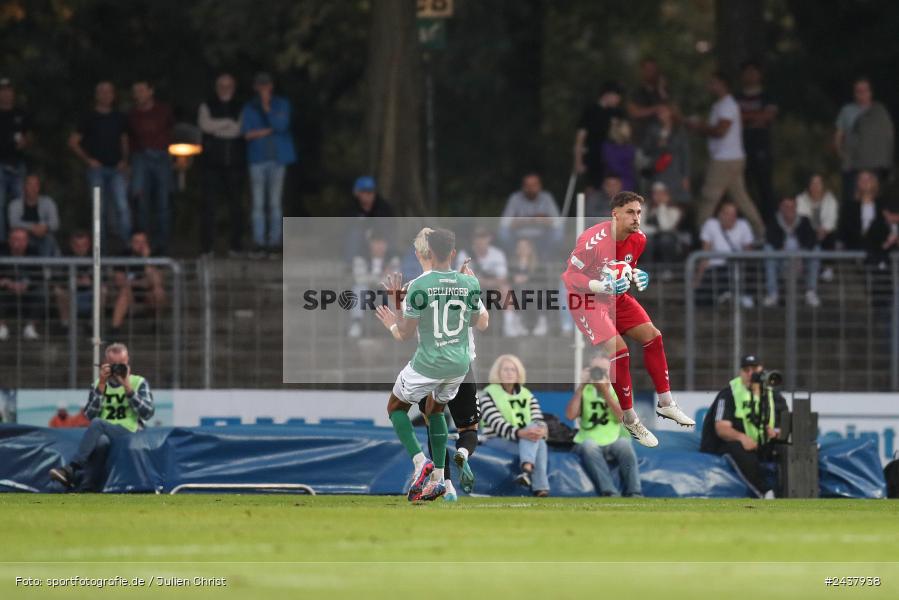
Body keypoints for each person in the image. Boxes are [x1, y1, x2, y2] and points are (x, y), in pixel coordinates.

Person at [561, 190, 695, 448]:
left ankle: (666, 403)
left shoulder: (639, 239)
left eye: (639, 212)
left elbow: (623, 268)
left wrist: (635, 275)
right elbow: (569, 277)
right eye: (630, 212)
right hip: (586, 300)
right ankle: (631, 418)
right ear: (615, 214)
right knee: (620, 350)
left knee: (653, 336)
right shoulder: (592, 240)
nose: (637, 218)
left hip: (615, 297)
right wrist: (599, 285)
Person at [374, 228, 484, 502]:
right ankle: (438, 480)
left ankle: (420, 461)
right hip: (459, 364)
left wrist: (393, 321)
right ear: (453, 253)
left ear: (429, 253)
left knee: (395, 408)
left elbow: (405, 334)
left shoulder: (418, 286)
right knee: (435, 410)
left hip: (429, 363)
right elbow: (475, 321)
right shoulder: (469, 283)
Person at [49, 343, 155, 491]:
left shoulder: (138, 382)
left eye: (121, 365)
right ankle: (87, 488)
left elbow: (148, 413)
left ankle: (71, 469)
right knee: (101, 442)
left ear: (128, 361)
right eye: (113, 365)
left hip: (130, 431)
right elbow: (89, 415)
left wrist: (128, 389)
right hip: (105, 432)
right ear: (106, 363)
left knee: (98, 423)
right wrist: (101, 387)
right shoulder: (98, 384)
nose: (117, 369)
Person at [687, 71, 765, 236]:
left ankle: (700, 234)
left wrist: (699, 127)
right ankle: (760, 231)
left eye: (713, 82)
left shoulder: (728, 105)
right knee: (741, 198)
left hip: (725, 159)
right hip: (731, 158)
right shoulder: (720, 105)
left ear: (722, 84)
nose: (710, 86)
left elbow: (721, 130)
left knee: (709, 196)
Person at [700, 354, 787, 498]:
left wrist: (776, 433)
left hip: (761, 444)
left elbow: (784, 426)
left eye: (754, 369)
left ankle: (791, 490)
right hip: (728, 444)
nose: (750, 374)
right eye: (746, 370)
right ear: (740, 372)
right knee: (738, 447)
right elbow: (721, 428)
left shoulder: (774, 397)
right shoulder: (729, 394)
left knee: (787, 447)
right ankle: (763, 491)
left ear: (762, 370)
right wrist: (742, 437)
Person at [567, 354, 641, 497]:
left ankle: (635, 491)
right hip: (589, 438)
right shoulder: (585, 389)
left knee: (625, 445)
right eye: (595, 369)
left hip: (614, 437)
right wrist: (581, 387)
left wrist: (605, 392)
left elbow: (622, 418)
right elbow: (570, 415)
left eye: (603, 370)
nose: (599, 373)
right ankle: (609, 491)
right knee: (588, 445)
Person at [69, 81, 131, 248]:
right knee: (98, 210)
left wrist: (124, 161)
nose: (106, 95)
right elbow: (73, 142)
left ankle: (128, 248)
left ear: (113, 95)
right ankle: (100, 251)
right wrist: (88, 160)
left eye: (109, 92)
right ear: (96, 95)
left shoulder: (119, 117)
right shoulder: (88, 117)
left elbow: (124, 140)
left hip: (116, 170)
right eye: (102, 92)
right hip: (97, 171)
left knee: (122, 207)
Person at [241, 72, 297, 255]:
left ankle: (274, 241)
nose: (264, 89)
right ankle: (259, 241)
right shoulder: (249, 107)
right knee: (258, 203)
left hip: (278, 160)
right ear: (256, 88)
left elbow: (282, 125)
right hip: (257, 159)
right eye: (260, 86)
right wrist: (269, 130)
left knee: (275, 202)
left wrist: (267, 110)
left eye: (266, 85)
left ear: (271, 86)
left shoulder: (282, 104)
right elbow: (247, 134)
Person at [480, 354, 550, 497]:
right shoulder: (488, 395)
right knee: (539, 444)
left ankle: (528, 471)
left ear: (519, 373)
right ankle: (537, 483)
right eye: (505, 369)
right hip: (496, 439)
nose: (509, 373)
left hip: (525, 438)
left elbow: (538, 419)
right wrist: (521, 433)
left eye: (513, 370)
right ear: (498, 373)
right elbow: (497, 424)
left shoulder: (527, 394)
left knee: (539, 439)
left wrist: (541, 430)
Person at [197, 73, 245, 257]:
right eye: (221, 85)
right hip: (211, 163)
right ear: (216, 87)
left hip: (235, 163)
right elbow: (205, 126)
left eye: (228, 85)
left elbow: (239, 130)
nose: (225, 89)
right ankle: (207, 248)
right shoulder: (206, 104)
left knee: (236, 206)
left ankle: (236, 247)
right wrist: (227, 123)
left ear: (234, 87)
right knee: (208, 206)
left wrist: (217, 128)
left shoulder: (241, 106)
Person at [128, 80, 174, 255]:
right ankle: (142, 248)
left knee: (164, 204)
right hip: (140, 158)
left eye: (141, 90)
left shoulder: (164, 111)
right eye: (135, 91)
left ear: (150, 91)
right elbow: (127, 140)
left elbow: (173, 134)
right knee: (141, 204)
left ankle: (162, 248)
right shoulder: (131, 115)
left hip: (162, 157)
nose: (138, 94)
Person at [834, 77, 894, 202]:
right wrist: (842, 155)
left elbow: (888, 136)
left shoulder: (880, 111)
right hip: (853, 166)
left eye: (865, 90)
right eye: (858, 91)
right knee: (852, 202)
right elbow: (839, 136)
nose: (862, 94)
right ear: (854, 93)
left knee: (875, 201)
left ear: (870, 92)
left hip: (875, 166)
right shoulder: (847, 111)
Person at [693, 199, 756, 308]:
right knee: (701, 298)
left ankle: (734, 297)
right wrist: (698, 279)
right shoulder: (711, 225)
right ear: (720, 214)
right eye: (727, 213)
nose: (730, 217)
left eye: (733, 214)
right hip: (715, 269)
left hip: (736, 267)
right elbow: (705, 255)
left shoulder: (743, 225)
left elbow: (749, 253)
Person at [736, 61, 778, 220]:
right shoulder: (737, 97)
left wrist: (745, 118)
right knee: (743, 188)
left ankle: (769, 223)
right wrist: (755, 118)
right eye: (747, 72)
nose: (750, 75)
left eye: (754, 72)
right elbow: (735, 119)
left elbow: (768, 116)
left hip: (761, 146)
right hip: (741, 148)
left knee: (765, 187)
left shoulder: (767, 96)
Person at [763, 197, 820, 308]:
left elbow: (812, 240)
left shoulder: (804, 221)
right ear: (780, 208)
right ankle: (772, 293)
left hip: (801, 262)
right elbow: (770, 239)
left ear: (796, 208)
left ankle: (811, 292)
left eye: (792, 206)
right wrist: (782, 250)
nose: (789, 209)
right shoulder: (774, 221)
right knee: (768, 249)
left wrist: (800, 255)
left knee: (816, 250)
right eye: (786, 206)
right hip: (781, 261)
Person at [455, 227, 512, 336]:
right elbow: (461, 278)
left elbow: (502, 278)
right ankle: (469, 331)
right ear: (473, 239)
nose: (481, 240)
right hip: (473, 290)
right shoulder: (465, 254)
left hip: (493, 290)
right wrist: (483, 282)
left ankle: (509, 327)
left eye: (484, 237)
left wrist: (483, 282)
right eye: (478, 237)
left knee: (506, 289)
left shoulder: (497, 254)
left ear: (489, 238)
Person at [111, 231, 166, 333]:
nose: (140, 245)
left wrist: (146, 260)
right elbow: (119, 281)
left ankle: (156, 325)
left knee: (158, 291)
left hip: (147, 293)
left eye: (143, 242)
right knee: (124, 292)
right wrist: (140, 282)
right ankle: (115, 329)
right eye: (136, 242)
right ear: (131, 243)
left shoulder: (154, 256)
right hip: (128, 292)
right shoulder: (123, 255)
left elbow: (157, 281)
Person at [574, 82, 625, 191]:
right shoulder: (590, 111)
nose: (618, 100)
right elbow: (580, 138)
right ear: (607, 95)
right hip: (593, 157)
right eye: (616, 97)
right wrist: (578, 161)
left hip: (612, 159)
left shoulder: (617, 113)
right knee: (591, 189)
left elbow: (623, 136)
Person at [348, 231, 399, 338]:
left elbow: (395, 277)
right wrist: (380, 277)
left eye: (382, 243)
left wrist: (375, 278)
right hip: (367, 293)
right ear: (370, 244)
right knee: (358, 288)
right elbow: (359, 278)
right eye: (376, 242)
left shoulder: (392, 259)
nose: (380, 246)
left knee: (395, 290)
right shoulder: (361, 258)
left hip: (384, 294)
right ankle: (356, 323)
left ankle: (398, 323)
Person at [498, 173, 562, 258]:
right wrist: (535, 219)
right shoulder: (515, 198)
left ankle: (547, 259)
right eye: (528, 185)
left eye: (534, 185)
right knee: (503, 232)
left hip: (542, 235)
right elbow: (505, 222)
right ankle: (511, 256)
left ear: (540, 186)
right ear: (523, 187)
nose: (531, 188)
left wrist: (525, 220)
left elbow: (557, 221)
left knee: (558, 232)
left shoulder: (547, 198)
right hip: (519, 234)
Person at [639, 103, 690, 203]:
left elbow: (685, 154)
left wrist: (686, 176)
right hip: (658, 170)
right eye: (659, 111)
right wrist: (656, 145)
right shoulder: (652, 129)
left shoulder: (679, 130)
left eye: (663, 111)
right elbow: (645, 149)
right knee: (656, 198)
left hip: (675, 171)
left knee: (674, 200)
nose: (660, 114)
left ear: (671, 112)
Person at [0, 77, 31, 244]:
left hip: (17, 164)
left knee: (19, 206)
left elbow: (29, 136)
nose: (6, 94)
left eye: (8, 90)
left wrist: (25, 142)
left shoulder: (20, 113)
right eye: (2, 91)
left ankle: (20, 243)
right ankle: (2, 243)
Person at [0, 227, 42, 341]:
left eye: (22, 239)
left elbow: (39, 276)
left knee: (41, 292)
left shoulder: (34, 251)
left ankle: (30, 327)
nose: (18, 243)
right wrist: (6, 282)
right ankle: (1, 327)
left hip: (27, 289)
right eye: (15, 239)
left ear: (27, 241)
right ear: (9, 240)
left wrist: (26, 284)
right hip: (5, 289)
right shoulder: (1, 250)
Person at [53, 231, 100, 330]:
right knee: (58, 291)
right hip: (70, 294)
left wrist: (91, 282)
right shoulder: (64, 258)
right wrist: (72, 282)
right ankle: (65, 325)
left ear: (89, 245)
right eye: (77, 245)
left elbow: (104, 279)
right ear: (72, 245)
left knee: (102, 290)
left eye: (84, 245)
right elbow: (57, 279)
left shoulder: (96, 257)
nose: (80, 248)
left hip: (89, 294)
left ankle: (93, 324)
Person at [796, 174, 839, 281]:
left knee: (830, 235)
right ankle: (809, 269)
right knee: (806, 237)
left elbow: (832, 218)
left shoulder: (830, 200)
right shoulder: (800, 199)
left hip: (825, 233)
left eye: (818, 183)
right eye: (813, 183)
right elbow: (802, 217)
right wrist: (814, 231)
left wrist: (824, 229)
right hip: (807, 232)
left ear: (823, 185)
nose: (815, 186)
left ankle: (828, 268)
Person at [7, 174, 59, 256]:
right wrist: (32, 228)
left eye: (36, 185)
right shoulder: (15, 204)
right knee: (17, 239)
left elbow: (55, 223)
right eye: (30, 184)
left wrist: (44, 227)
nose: (33, 188)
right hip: (23, 237)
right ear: (24, 187)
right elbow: (13, 223)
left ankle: (45, 263)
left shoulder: (48, 202)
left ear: (39, 187)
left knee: (48, 239)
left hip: (43, 236)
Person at [641, 181, 686, 269]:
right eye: (656, 193)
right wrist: (655, 230)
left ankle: (666, 270)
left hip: (669, 242)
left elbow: (665, 227)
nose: (659, 196)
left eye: (662, 193)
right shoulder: (644, 208)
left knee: (665, 240)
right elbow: (639, 227)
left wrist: (662, 206)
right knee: (647, 241)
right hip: (650, 238)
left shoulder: (674, 210)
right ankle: (648, 270)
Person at [627, 58, 670, 140]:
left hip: (661, 132)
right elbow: (633, 112)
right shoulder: (636, 91)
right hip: (642, 132)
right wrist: (655, 109)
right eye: (648, 69)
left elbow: (669, 112)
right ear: (642, 71)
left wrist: (662, 91)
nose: (651, 72)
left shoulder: (661, 92)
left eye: (653, 70)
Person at [840, 170, 882, 251]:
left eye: (868, 179)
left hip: (877, 250)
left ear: (874, 182)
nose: (865, 182)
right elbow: (844, 232)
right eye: (862, 179)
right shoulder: (849, 207)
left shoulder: (882, 205)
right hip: (854, 249)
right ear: (857, 183)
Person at [601, 118, 637, 193]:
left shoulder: (629, 146)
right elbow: (612, 164)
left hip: (628, 179)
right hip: (614, 179)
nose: (629, 130)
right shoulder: (608, 146)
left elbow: (631, 161)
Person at [864, 199, 899, 270]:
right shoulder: (877, 226)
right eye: (893, 214)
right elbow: (872, 245)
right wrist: (887, 242)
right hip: (881, 267)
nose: (896, 218)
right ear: (885, 213)